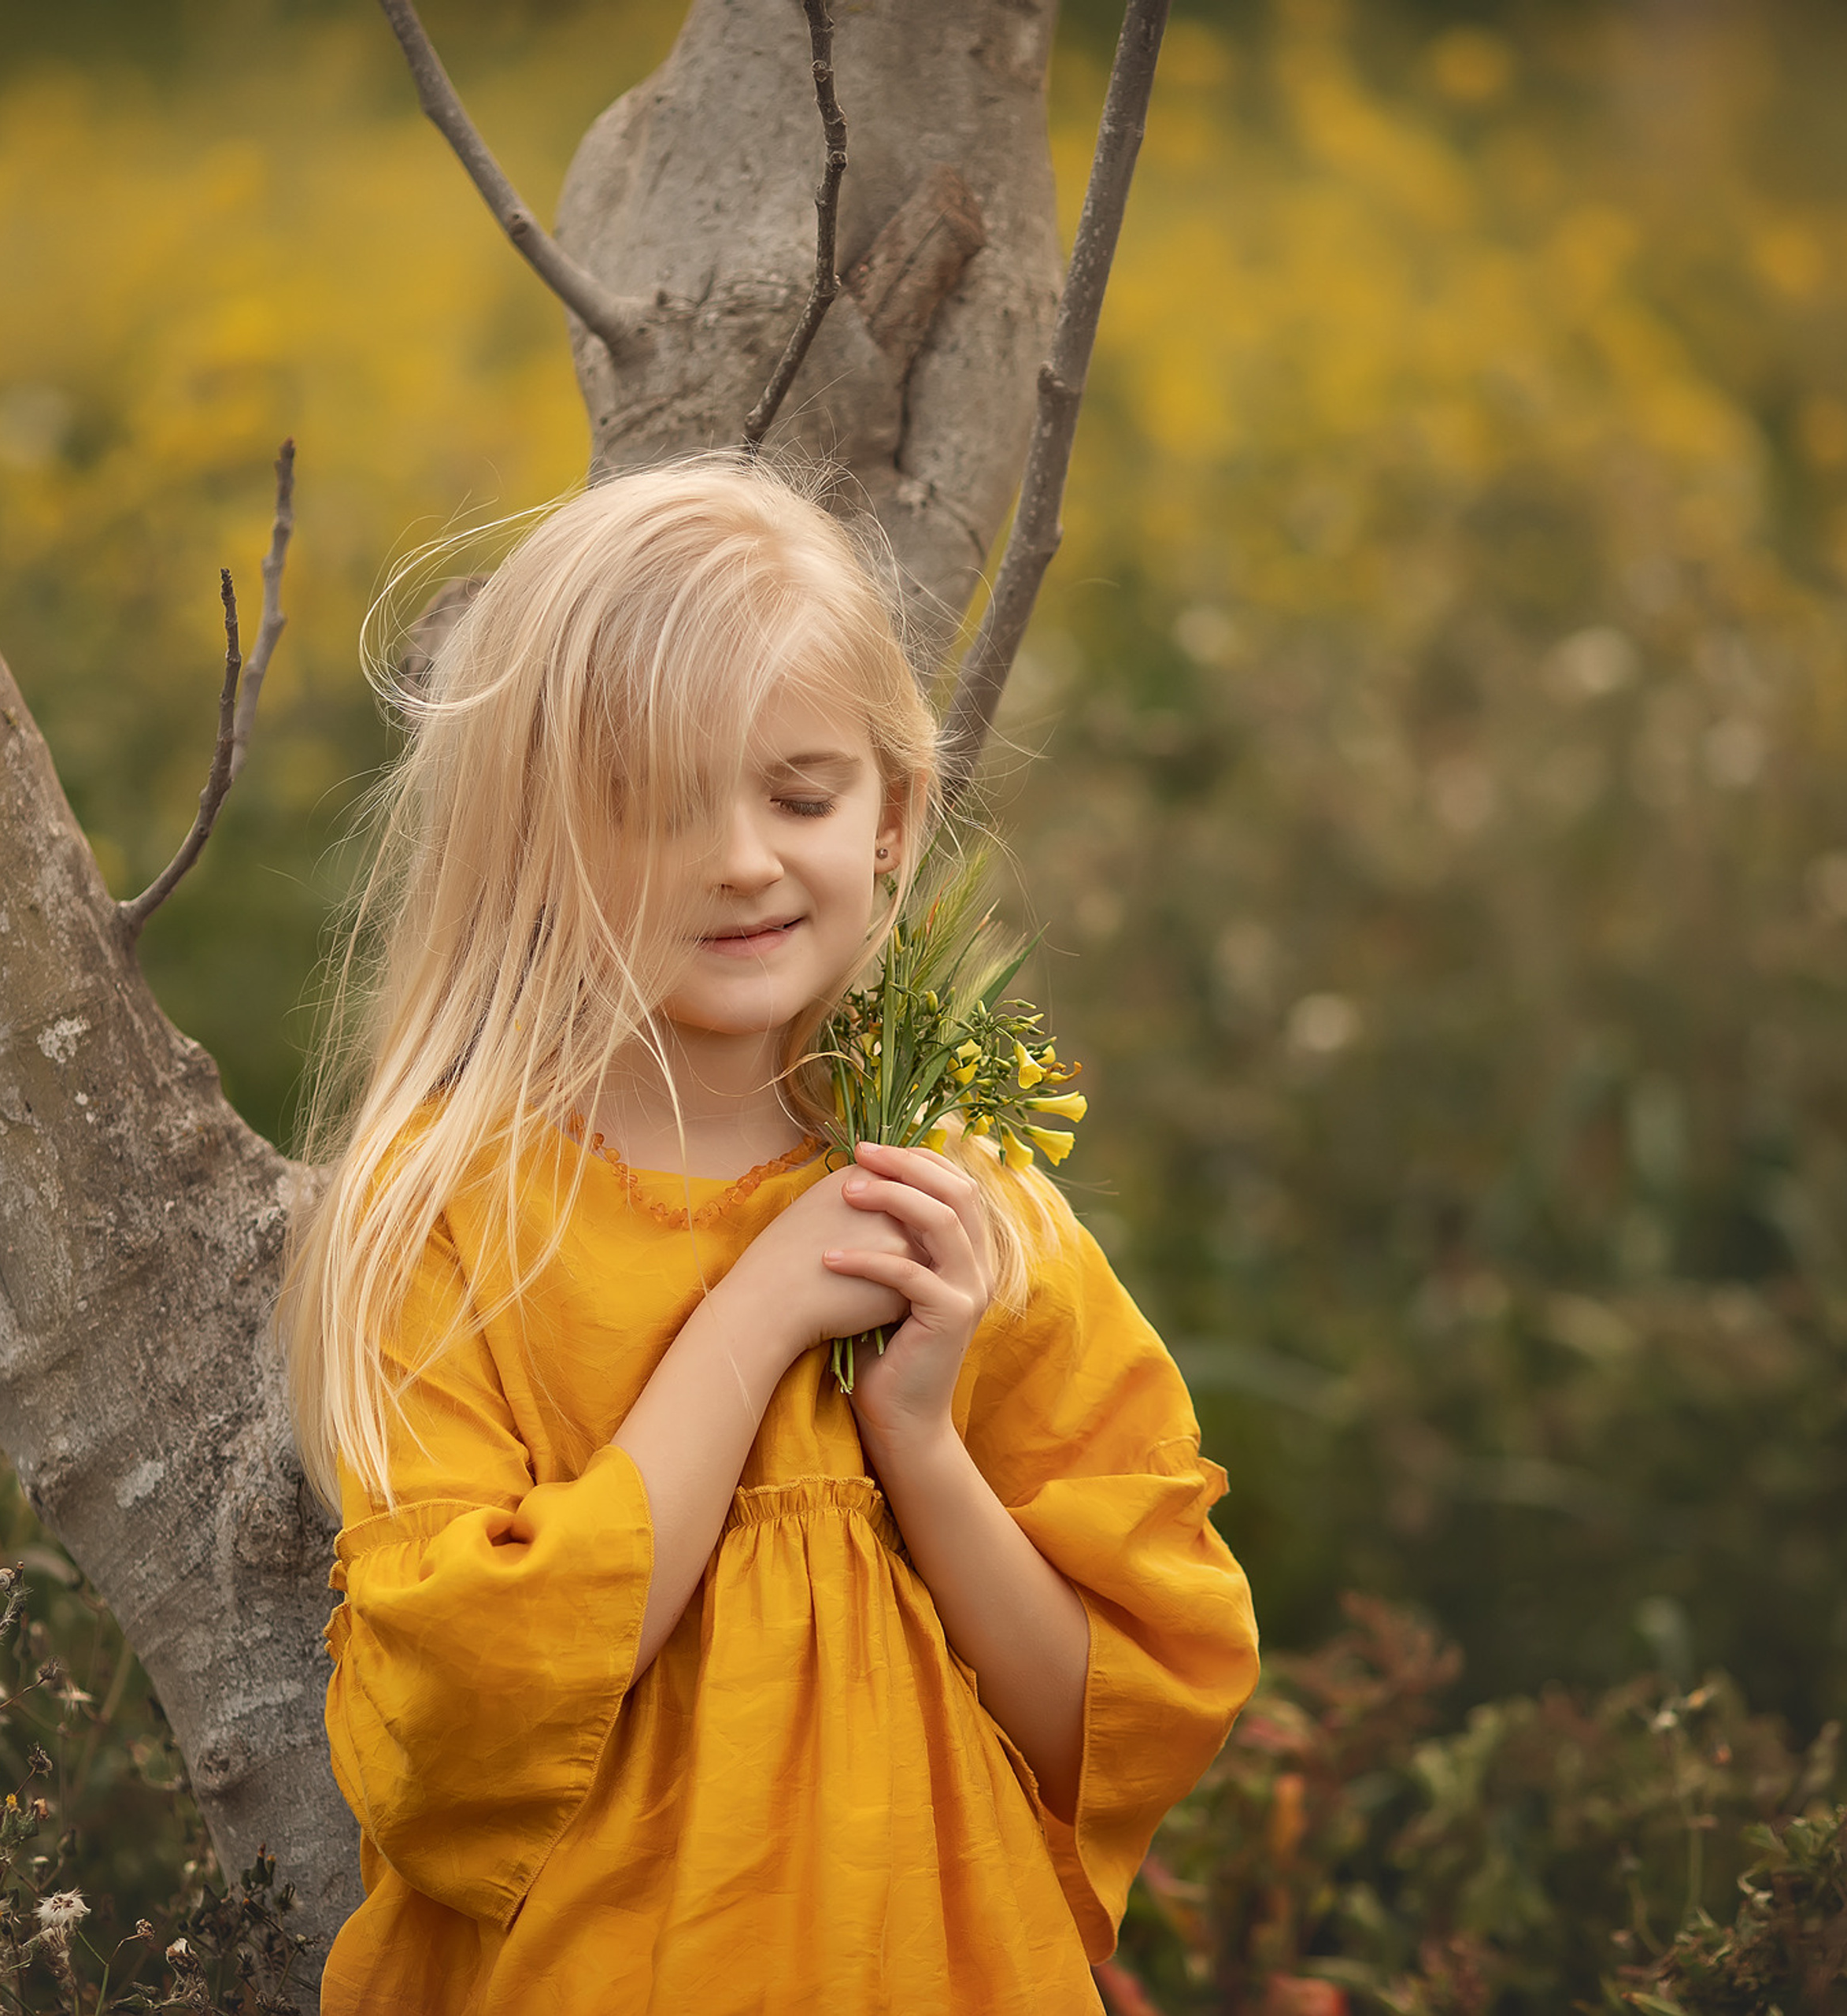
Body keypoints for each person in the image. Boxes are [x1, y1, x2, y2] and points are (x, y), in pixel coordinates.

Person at [282, 458, 1260, 2015]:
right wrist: (756, 1314)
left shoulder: (963, 1203)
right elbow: (459, 1712)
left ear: (891, 818)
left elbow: (1111, 1717)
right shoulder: (451, 1214)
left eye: (800, 796)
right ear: (532, 838)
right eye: (658, 808)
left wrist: (917, 1437)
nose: (743, 858)